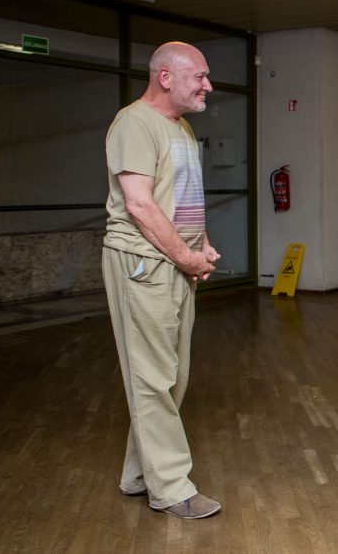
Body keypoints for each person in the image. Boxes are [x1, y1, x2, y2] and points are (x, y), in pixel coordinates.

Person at [102, 42, 222, 519]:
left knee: (172, 377)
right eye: (200, 77)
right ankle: (171, 488)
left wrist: (202, 244)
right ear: (166, 77)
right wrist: (185, 258)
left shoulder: (183, 127)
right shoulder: (133, 123)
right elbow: (140, 205)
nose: (208, 86)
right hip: (142, 263)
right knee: (152, 378)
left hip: (177, 262)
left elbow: (182, 196)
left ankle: (139, 473)